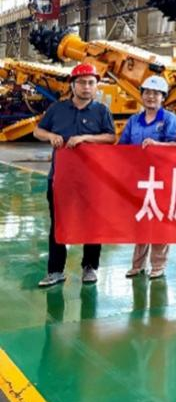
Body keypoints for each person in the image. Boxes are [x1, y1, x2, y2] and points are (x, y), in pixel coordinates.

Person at [34, 63, 117, 288]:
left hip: (92, 180)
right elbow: (37, 130)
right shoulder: (57, 109)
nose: (86, 87)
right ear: (72, 85)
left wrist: (85, 138)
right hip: (60, 179)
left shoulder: (102, 111)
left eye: (91, 83)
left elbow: (111, 137)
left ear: (96, 86)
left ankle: (90, 266)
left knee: (92, 222)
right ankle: (55, 270)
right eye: (82, 82)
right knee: (58, 223)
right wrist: (50, 136)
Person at [119, 76, 176, 280]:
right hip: (138, 179)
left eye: (156, 93)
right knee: (141, 220)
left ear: (163, 97)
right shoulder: (134, 120)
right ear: (142, 95)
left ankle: (158, 265)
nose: (151, 97)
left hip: (161, 179)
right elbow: (122, 147)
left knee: (159, 221)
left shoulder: (170, 119)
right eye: (147, 93)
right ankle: (137, 265)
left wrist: (157, 145)